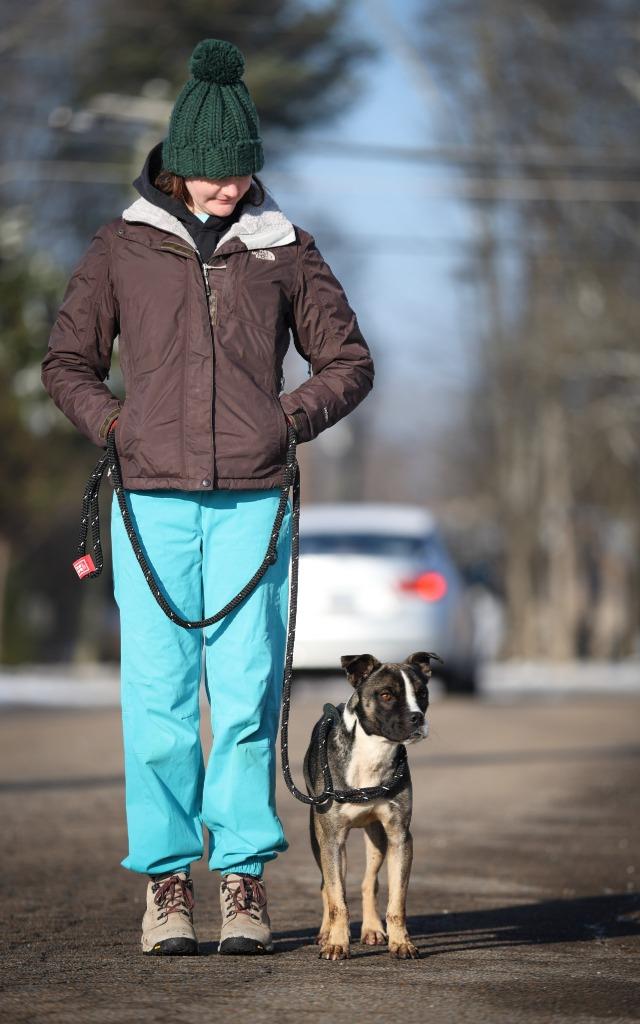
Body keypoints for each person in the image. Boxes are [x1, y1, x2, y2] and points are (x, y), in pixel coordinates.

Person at [41, 38, 374, 957]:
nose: (233, 188)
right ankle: (164, 885)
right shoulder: (119, 246)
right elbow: (66, 363)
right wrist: (115, 426)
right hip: (147, 502)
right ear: (180, 165)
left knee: (244, 692)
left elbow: (348, 361)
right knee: (155, 698)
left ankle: (241, 881)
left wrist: (286, 420)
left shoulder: (286, 251)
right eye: (218, 174)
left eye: (245, 173)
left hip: (255, 503)